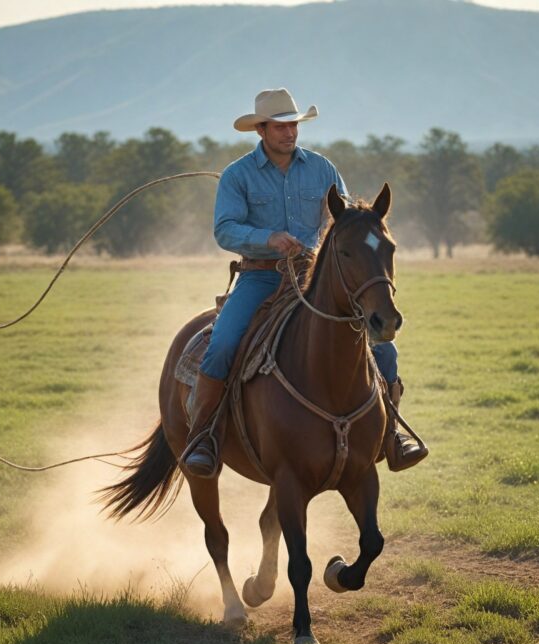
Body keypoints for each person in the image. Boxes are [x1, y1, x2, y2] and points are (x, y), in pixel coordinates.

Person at [182, 88, 428, 478]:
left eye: (293, 125)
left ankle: (392, 434)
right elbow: (225, 230)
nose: (289, 133)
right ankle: (204, 437)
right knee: (223, 343)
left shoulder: (323, 169)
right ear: (261, 129)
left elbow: (345, 219)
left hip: (316, 278)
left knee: (384, 349)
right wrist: (269, 238)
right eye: (280, 126)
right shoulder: (237, 176)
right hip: (260, 277)